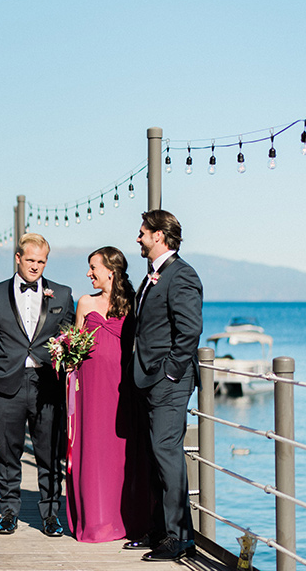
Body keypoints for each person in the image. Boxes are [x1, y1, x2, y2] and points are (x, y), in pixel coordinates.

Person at [0, 232, 74, 537]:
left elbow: (69, 337)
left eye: (41, 261)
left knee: (48, 453)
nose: (35, 267)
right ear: (18, 258)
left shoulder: (62, 293)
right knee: (8, 452)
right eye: (30, 260)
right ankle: (8, 512)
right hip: (6, 383)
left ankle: (50, 515)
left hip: (47, 384)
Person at [124, 210, 202, 562]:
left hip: (169, 382)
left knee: (168, 455)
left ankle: (180, 537)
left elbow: (189, 331)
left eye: (142, 233)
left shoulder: (181, 276)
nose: (138, 238)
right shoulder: (153, 276)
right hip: (148, 381)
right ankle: (159, 530)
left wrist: (170, 372)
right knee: (156, 455)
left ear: (159, 235)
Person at [67, 246, 152, 542]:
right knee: (91, 450)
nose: (89, 273)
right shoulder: (84, 303)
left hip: (121, 389)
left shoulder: (132, 304)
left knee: (118, 452)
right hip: (89, 389)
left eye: (93, 267)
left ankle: (124, 518)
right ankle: (95, 520)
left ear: (110, 272)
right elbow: (74, 348)